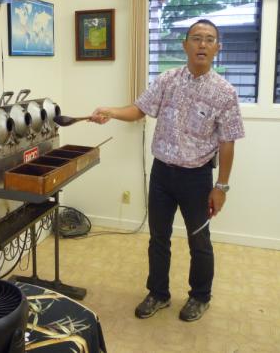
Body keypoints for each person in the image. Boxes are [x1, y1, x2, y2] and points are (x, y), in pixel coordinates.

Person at [90, 19, 244, 322]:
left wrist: (221, 187)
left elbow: (228, 142)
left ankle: (200, 296)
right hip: (162, 174)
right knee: (158, 237)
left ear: (218, 48)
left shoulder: (225, 93)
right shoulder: (167, 80)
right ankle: (158, 293)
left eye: (209, 39)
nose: (202, 44)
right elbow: (140, 109)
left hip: (197, 178)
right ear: (185, 45)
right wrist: (111, 111)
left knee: (199, 240)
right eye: (196, 38)